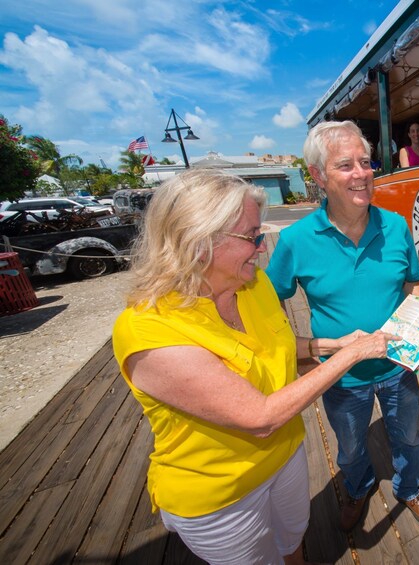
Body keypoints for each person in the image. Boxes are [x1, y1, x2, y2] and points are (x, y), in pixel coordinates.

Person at [112, 169, 398, 565]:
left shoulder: (252, 283)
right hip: (220, 493)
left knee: (294, 540)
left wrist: (334, 343)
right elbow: (260, 417)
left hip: (285, 455)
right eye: (251, 237)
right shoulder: (148, 328)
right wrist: (353, 355)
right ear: (198, 241)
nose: (262, 248)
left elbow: (276, 344)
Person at [266, 121, 419, 532]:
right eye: (345, 165)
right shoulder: (295, 239)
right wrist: (311, 347)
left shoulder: (396, 225)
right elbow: (264, 307)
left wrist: (417, 314)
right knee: (349, 447)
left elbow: (414, 281)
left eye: (365, 162)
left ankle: (411, 487)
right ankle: (359, 487)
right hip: (341, 375)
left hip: (398, 366)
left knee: (410, 439)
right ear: (318, 176)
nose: (361, 173)